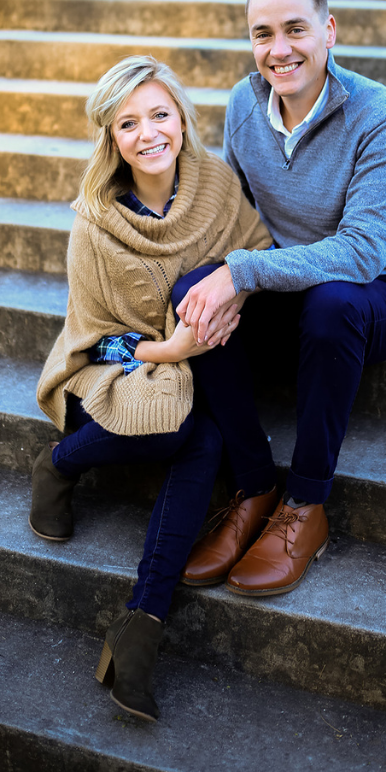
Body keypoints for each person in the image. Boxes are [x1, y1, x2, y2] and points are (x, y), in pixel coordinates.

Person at [34, 56, 272, 721]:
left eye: (159, 114)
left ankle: (141, 624)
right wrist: (164, 348)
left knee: (201, 441)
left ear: (183, 120)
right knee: (179, 431)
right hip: (108, 368)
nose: (149, 133)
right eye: (128, 123)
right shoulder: (96, 220)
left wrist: (230, 298)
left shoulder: (216, 186)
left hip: (186, 368)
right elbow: (90, 332)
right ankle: (58, 460)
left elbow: (255, 255)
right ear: (111, 138)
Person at [175, 0, 386, 598]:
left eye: (295, 30)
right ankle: (254, 487)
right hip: (287, 291)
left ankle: (306, 506)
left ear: (328, 30)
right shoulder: (242, 102)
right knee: (190, 291)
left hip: (370, 299)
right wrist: (220, 279)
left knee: (332, 304)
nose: (278, 50)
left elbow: (363, 253)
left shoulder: (381, 115)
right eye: (262, 34)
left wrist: (244, 271)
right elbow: (239, 217)